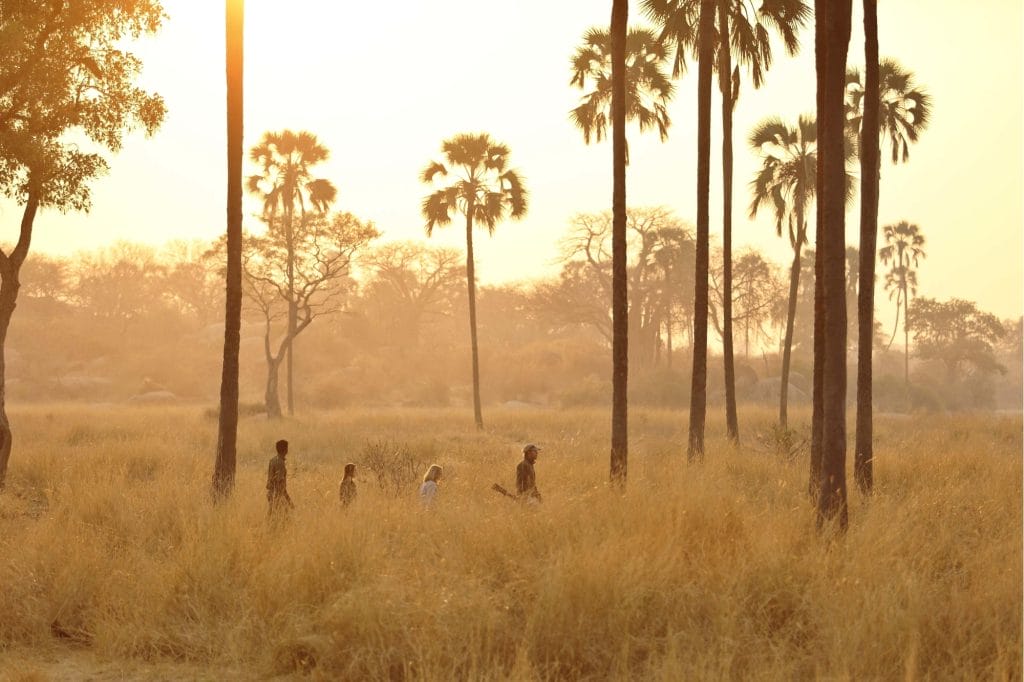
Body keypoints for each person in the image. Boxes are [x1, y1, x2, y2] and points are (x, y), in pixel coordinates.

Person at [266, 439, 294, 515]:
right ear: (285, 450)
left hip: (271, 493)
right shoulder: (280, 463)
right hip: (278, 496)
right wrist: (288, 499)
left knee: (272, 517)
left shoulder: (272, 460)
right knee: (283, 520)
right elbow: (279, 483)